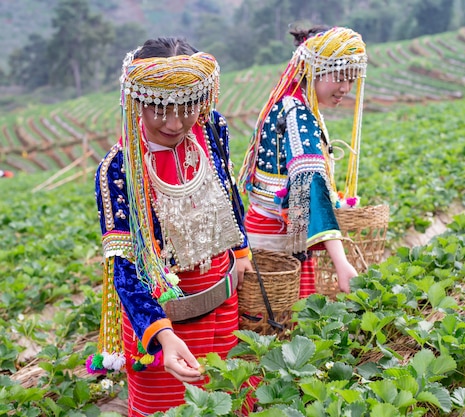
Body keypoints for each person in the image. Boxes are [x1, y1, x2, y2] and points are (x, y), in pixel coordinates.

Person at [87, 37, 253, 416]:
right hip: (162, 320)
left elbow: (228, 191)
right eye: (160, 108)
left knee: (229, 399)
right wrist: (163, 336)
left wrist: (241, 251)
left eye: (188, 106)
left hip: (222, 299)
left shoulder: (212, 130)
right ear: (136, 101)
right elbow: (125, 270)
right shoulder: (118, 169)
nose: (176, 122)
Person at [238, 26, 368, 296]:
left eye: (351, 79)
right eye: (339, 77)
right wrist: (341, 262)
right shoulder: (296, 113)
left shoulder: (294, 105)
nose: (345, 87)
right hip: (275, 243)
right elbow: (310, 186)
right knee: (281, 325)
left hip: (282, 234)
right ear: (313, 70)